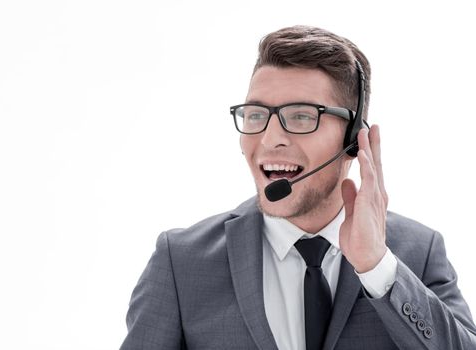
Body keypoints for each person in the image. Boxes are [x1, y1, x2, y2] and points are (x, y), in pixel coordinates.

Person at [119, 25, 476, 349]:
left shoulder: (418, 252)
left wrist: (376, 267)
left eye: (302, 116)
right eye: (256, 115)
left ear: (354, 139)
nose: (271, 139)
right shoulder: (182, 262)